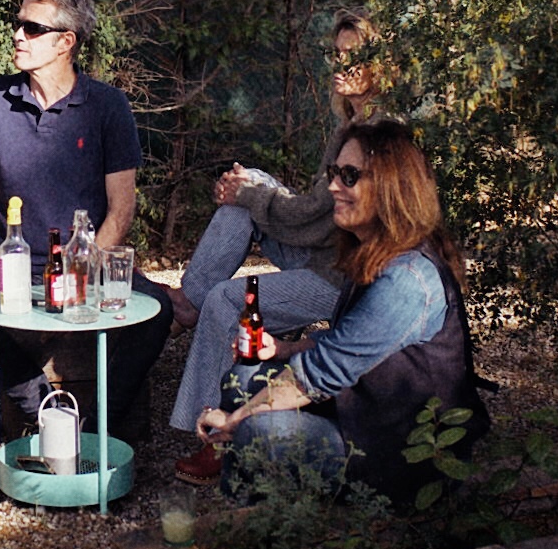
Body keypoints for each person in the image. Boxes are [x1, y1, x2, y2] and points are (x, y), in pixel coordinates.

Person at [0, 0, 173, 435]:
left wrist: (83, 269)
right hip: (11, 263)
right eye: (18, 24)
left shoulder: (107, 106)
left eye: (33, 28)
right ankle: (49, 415)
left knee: (157, 311)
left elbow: (121, 210)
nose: (18, 35)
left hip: (86, 264)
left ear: (65, 42)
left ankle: (99, 430)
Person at [192, 118, 488, 507]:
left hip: (405, 452)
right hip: (365, 412)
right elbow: (343, 341)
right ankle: (255, 507)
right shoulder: (372, 252)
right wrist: (282, 349)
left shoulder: (407, 279)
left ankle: (271, 523)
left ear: (391, 187)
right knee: (244, 375)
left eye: (349, 176)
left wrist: (234, 420)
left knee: (261, 431)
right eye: (334, 172)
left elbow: (318, 375)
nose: (333, 186)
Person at [169, 9, 384, 482]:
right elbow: (314, 216)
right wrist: (249, 191)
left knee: (227, 299)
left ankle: (215, 438)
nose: (341, 65)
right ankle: (189, 301)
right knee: (250, 188)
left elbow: (319, 220)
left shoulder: (376, 133)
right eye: (337, 54)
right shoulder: (348, 125)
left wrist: (248, 194)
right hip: (324, 251)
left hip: (342, 276)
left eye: (354, 56)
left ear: (381, 65)